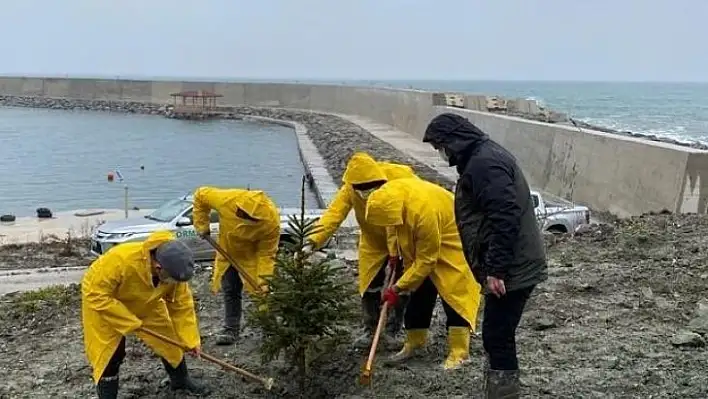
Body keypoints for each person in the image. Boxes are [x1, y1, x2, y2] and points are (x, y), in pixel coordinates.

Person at [422, 112, 548, 397]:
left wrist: (496, 270)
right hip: (511, 262)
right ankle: (498, 389)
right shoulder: (481, 158)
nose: (441, 154)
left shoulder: (484, 164)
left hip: (512, 266)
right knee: (496, 333)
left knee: (497, 334)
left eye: (440, 146)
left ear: (454, 140)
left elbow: (505, 216)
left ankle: (503, 392)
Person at [301, 151, 419, 349]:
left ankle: (393, 330)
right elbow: (334, 214)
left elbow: (412, 210)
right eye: (361, 189)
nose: (366, 191)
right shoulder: (350, 189)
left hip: (402, 238)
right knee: (369, 285)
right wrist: (312, 241)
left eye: (370, 187)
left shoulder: (400, 179)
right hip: (372, 242)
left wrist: (396, 252)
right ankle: (371, 330)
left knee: (401, 285)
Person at [365, 177, 482, 370]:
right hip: (427, 243)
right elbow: (393, 228)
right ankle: (415, 342)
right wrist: (394, 254)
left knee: (455, 295)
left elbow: (427, 261)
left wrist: (397, 287)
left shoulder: (423, 212)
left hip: (453, 241)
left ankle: (459, 352)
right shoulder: (389, 198)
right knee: (419, 292)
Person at [81, 231, 208, 399]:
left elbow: (181, 305)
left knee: (169, 340)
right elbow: (95, 294)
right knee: (110, 354)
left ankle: (180, 381)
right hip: (105, 305)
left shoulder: (174, 273)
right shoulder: (121, 259)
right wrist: (130, 321)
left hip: (146, 303)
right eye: (169, 278)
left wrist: (191, 340)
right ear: (158, 267)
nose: (171, 283)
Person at [192, 186, 280, 345]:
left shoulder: (270, 222)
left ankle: (270, 329)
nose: (240, 215)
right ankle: (231, 329)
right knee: (230, 290)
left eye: (245, 216)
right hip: (227, 252)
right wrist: (202, 225)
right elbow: (200, 196)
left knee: (260, 292)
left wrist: (264, 280)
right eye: (240, 212)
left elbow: (267, 254)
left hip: (250, 258)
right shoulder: (227, 200)